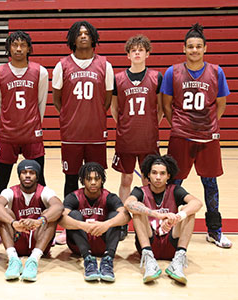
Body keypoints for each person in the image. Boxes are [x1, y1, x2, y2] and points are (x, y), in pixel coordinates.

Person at [161, 23, 232, 248]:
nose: (194, 50)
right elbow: (167, 105)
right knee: (174, 183)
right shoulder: (173, 72)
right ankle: (166, 230)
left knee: (210, 184)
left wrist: (208, 124)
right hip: (181, 135)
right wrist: (180, 126)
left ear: (205, 48)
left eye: (198, 46)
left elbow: (221, 104)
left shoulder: (216, 71)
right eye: (190, 46)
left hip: (207, 137)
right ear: (184, 49)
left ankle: (214, 230)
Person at [52, 20, 114, 244]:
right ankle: (67, 227)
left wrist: (93, 114)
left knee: (98, 179)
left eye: (87, 33)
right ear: (72, 39)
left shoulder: (104, 65)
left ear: (94, 37)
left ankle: (100, 222)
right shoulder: (63, 65)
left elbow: (106, 99)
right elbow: (57, 99)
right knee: (70, 180)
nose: (83, 36)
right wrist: (72, 115)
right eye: (79, 33)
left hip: (96, 132)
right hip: (71, 133)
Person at [0, 30, 49, 247]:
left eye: (22, 45)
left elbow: (41, 103)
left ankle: (42, 225)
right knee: (1, 181)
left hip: (32, 132)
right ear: (9, 48)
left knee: (40, 182)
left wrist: (33, 124)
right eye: (14, 45)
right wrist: (10, 122)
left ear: (28, 48)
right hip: (7, 133)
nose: (18, 49)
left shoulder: (40, 72)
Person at [110, 34, 163, 240]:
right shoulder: (118, 78)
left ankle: (151, 219)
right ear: (128, 55)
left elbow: (159, 108)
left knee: (151, 181)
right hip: (126, 137)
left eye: (141, 50)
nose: (137, 53)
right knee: (126, 178)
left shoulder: (156, 77)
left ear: (147, 54)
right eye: (133, 50)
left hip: (148, 137)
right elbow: (115, 108)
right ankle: (123, 219)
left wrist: (151, 124)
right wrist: (125, 124)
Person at [125, 154, 202, 285]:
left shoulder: (175, 190)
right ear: (148, 175)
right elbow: (128, 204)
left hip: (171, 243)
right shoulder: (140, 191)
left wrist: (177, 217)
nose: (158, 177)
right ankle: (149, 260)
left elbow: (197, 203)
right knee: (138, 208)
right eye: (154, 173)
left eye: (162, 173)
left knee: (188, 210)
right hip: (149, 241)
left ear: (168, 176)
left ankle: (178, 260)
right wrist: (157, 215)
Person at [59, 162, 130, 282]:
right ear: (82, 180)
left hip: (102, 243)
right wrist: (82, 225)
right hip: (79, 245)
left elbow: (126, 215)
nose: (93, 182)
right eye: (89, 179)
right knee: (74, 215)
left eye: (97, 179)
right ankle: (88, 259)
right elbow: (61, 219)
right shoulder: (74, 197)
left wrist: (106, 224)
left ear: (102, 180)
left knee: (115, 216)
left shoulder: (109, 197)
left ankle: (108, 259)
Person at [0, 160, 63, 282]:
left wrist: (39, 221)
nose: (27, 175)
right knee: (5, 214)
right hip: (17, 237)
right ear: (19, 175)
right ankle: (13, 259)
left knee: (50, 215)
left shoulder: (45, 191)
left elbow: (58, 206)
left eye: (31, 173)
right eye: (24, 172)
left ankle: (34, 260)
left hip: (39, 238)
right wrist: (13, 222)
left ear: (37, 176)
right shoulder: (10, 192)